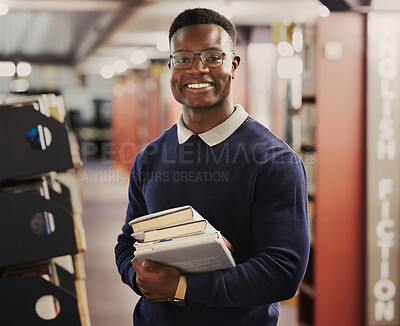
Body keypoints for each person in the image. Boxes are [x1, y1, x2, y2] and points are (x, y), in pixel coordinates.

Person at [115, 7, 310, 326]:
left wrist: (182, 288)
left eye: (212, 57)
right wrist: (137, 279)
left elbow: (282, 272)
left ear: (233, 65)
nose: (197, 69)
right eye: (184, 58)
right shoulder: (149, 157)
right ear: (170, 68)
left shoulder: (275, 161)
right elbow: (129, 240)